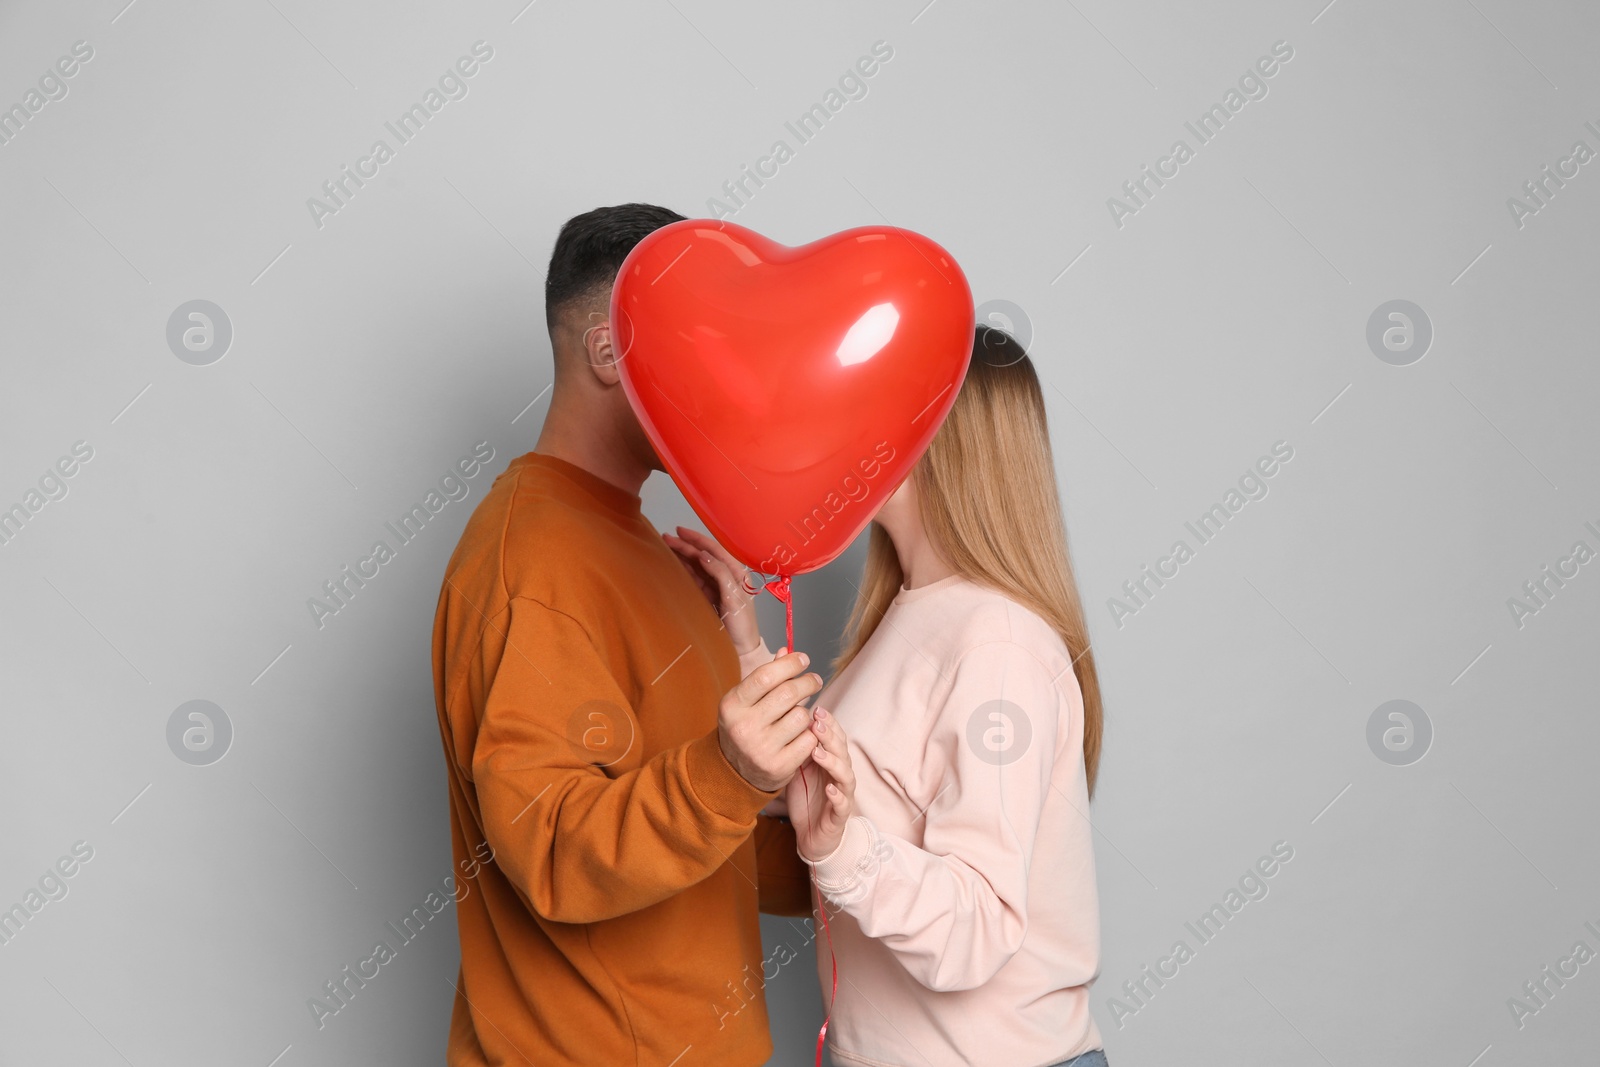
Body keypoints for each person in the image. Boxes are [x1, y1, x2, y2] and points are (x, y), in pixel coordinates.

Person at [430, 203, 830, 1067]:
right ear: (609, 354)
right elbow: (554, 851)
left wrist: (838, 841)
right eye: (695, 342)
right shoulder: (530, 560)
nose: (723, 380)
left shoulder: (658, 554)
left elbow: (699, 847)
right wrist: (730, 771)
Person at [673, 324, 1109, 1067]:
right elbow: (844, 786)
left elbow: (978, 930)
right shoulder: (913, 612)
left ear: (943, 437)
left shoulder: (997, 644)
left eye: (881, 409)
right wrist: (741, 643)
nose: (850, 432)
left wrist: (842, 847)